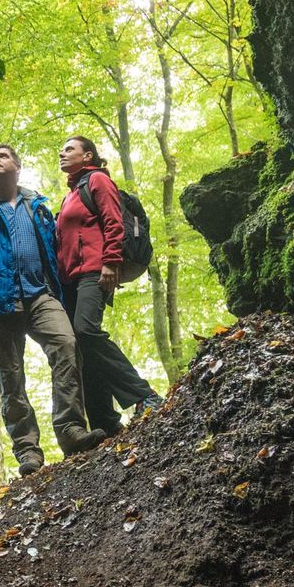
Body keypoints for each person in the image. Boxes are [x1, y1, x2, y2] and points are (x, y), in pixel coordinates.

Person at [0, 143, 107, 476]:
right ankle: (27, 450)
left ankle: (70, 429)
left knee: (66, 345)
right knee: (11, 377)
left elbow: (57, 248)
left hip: (41, 295)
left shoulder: (37, 208)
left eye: (3, 156)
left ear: (17, 166)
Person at [55, 135, 165, 433]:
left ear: (87, 156)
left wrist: (111, 261)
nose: (62, 153)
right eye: (61, 150)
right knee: (81, 347)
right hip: (72, 280)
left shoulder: (98, 180)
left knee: (86, 331)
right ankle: (104, 421)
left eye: (69, 149)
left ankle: (144, 395)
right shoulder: (71, 194)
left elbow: (113, 221)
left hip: (95, 270)